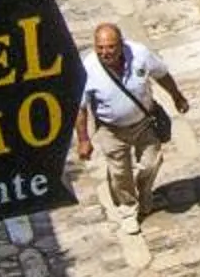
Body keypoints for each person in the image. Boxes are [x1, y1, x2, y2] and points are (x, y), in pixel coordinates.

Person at [73, 19, 189, 226]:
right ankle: (127, 209)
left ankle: (145, 194)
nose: (105, 52)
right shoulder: (88, 69)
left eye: (110, 47)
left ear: (121, 44)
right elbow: (80, 108)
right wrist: (83, 139)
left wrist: (176, 96)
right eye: (100, 48)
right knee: (120, 171)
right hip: (111, 130)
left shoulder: (139, 54)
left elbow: (161, 75)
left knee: (152, 162)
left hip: (143, 122)